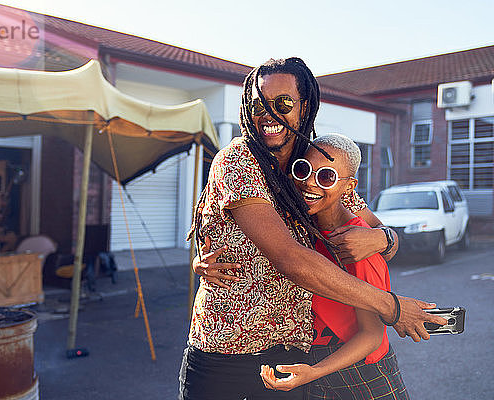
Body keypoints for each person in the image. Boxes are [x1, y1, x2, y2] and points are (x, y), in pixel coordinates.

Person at [179, 57, 445, 400]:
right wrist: (391, 307)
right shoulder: (238, 160)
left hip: (291, 360)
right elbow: (290, 258)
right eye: (258, 104)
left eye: (283, 103)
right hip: (226, 358)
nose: (269, 114)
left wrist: (381, 238)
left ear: (304, 107)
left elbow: (376, 227)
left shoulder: (312, 166)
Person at [260, 134, 409, 399]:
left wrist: (314, 371)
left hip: (364, 372)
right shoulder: (303, 229)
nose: (309, 182)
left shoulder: (358, 244)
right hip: (317, 364)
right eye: (303, 169)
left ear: (349, 186)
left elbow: (372, 335)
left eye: (326, 177)